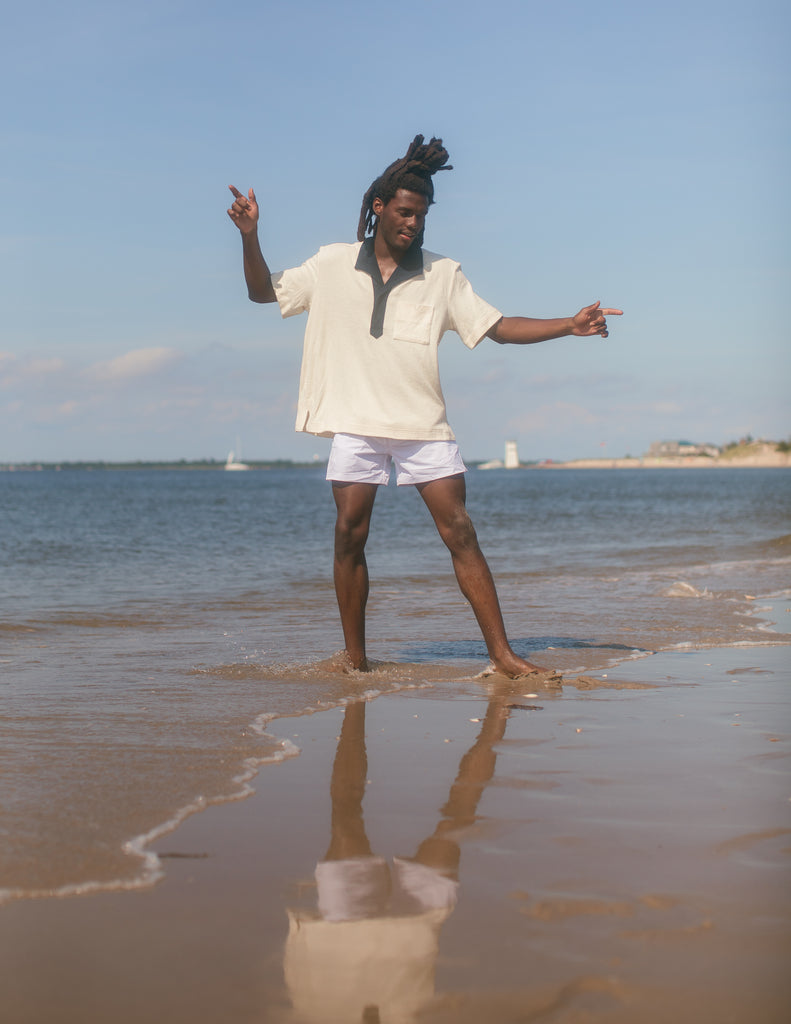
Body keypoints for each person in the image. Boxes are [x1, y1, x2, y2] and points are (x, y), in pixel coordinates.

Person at [227, 135, 622, 679]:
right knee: (349, 535)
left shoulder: (443, 274)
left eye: (423, 215)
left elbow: (498, 328)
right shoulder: (331, 264)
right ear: (379, 207)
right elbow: (261, 292)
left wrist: (569, 325)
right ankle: (356, 661)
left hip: (422, 426)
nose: (414, 223)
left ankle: (502, 656)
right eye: (406, 211)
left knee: (459, 530)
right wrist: (250, 236)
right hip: (356, 422)